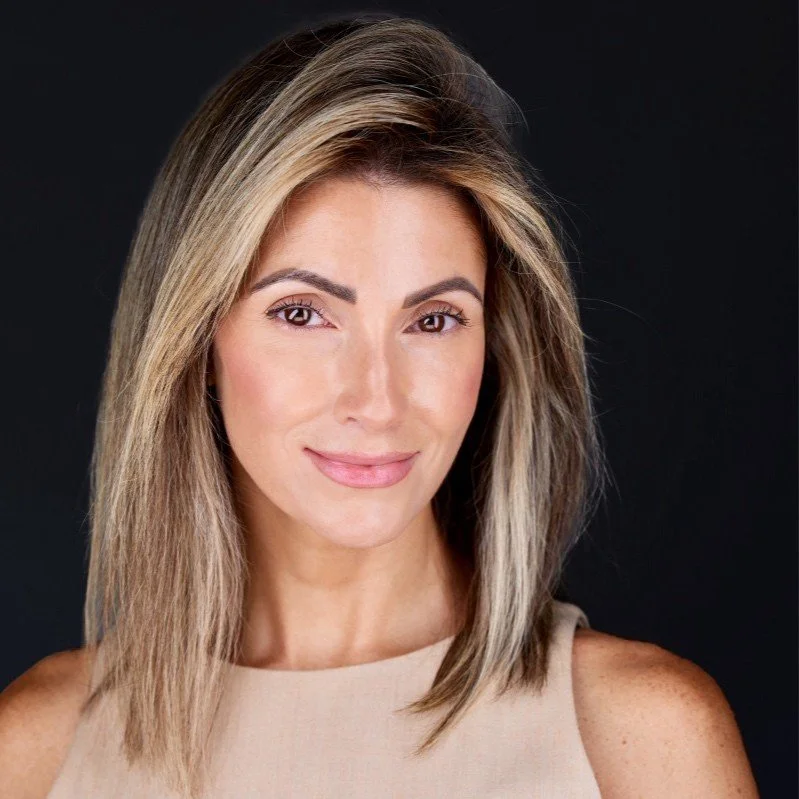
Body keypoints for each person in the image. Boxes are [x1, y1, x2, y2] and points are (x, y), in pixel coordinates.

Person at [0, 13, 759, 799]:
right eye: (302, 313)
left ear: (494, 349)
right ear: (197, 342)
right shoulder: (34, 752)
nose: (377, 398)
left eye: (432, 320)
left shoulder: (639, 737)